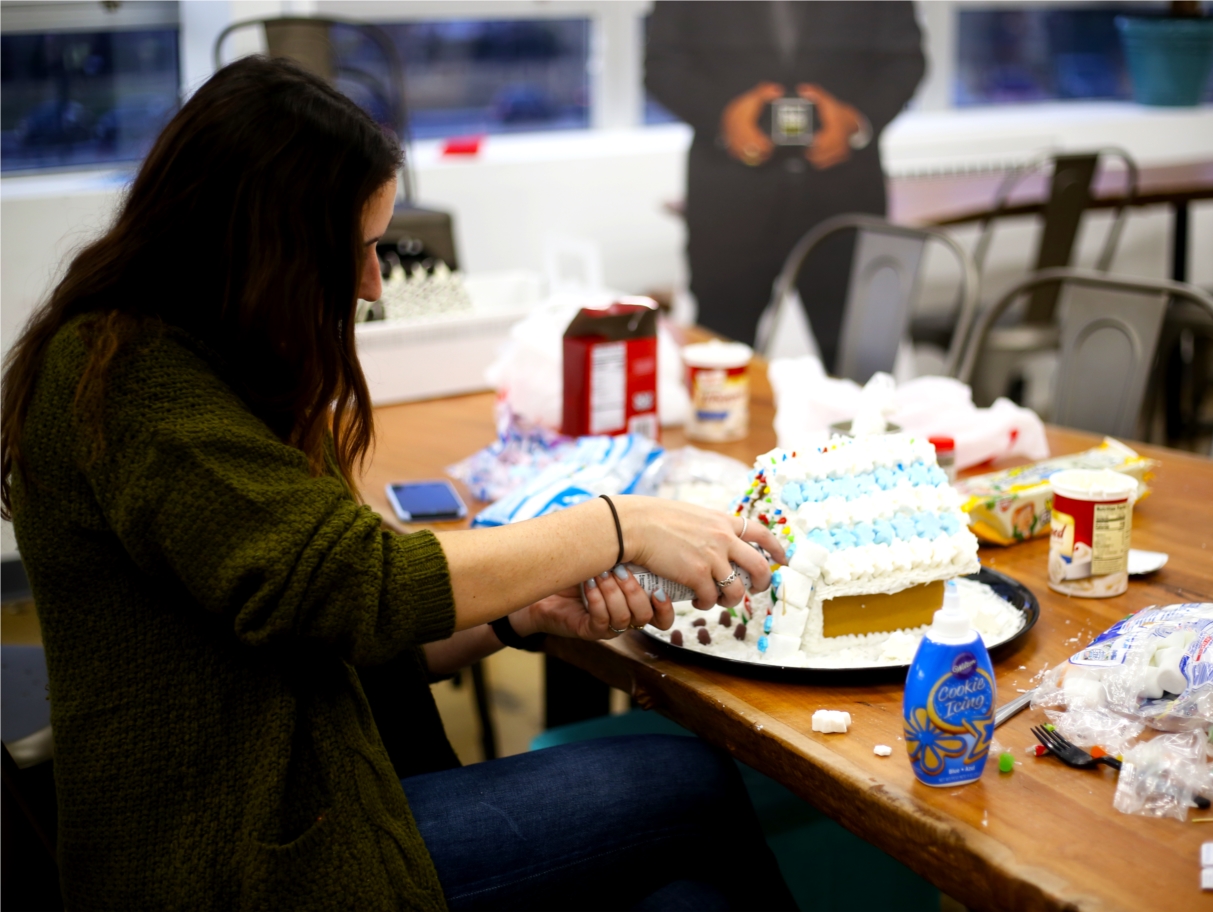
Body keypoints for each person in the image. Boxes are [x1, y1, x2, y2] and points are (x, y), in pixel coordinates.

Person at [0, 57, 796, 911]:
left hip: (299, 795)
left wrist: (518, 612)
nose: (375, 287)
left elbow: (338, 626)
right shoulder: (132, 383)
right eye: (360, 251)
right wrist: (616, 525)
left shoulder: (183, 357)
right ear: (262, 245)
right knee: (687, 784)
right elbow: (353, 586)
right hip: (236, 860)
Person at [645, 1, 925, 372]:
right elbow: (661, 64)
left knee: (862, 373)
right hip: (730, 199)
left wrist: (857, 121)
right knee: (718, 367)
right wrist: (722, 119)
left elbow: (906, 59)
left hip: (845, 196)